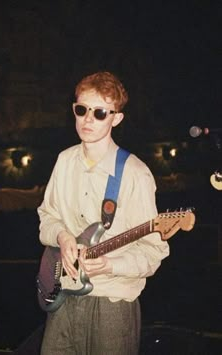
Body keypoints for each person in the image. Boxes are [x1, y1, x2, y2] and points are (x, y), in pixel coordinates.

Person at [37, 71, 170, 355]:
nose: (87, 119)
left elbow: (153, 252)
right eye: (81, 109)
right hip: (62, 297)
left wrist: (111, 265)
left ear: (116, 118)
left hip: (112, 304)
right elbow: (46, 216)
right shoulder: (63, 161)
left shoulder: (135, 174)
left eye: (100, 113)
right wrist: (62, 236)